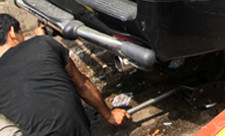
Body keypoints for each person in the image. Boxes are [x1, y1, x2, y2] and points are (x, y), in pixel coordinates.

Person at [0, 14, 130, 135]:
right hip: (73, 129)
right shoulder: (43, 43)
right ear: (12, 32)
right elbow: (82, 85)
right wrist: (109, 115)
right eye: (21, 33)